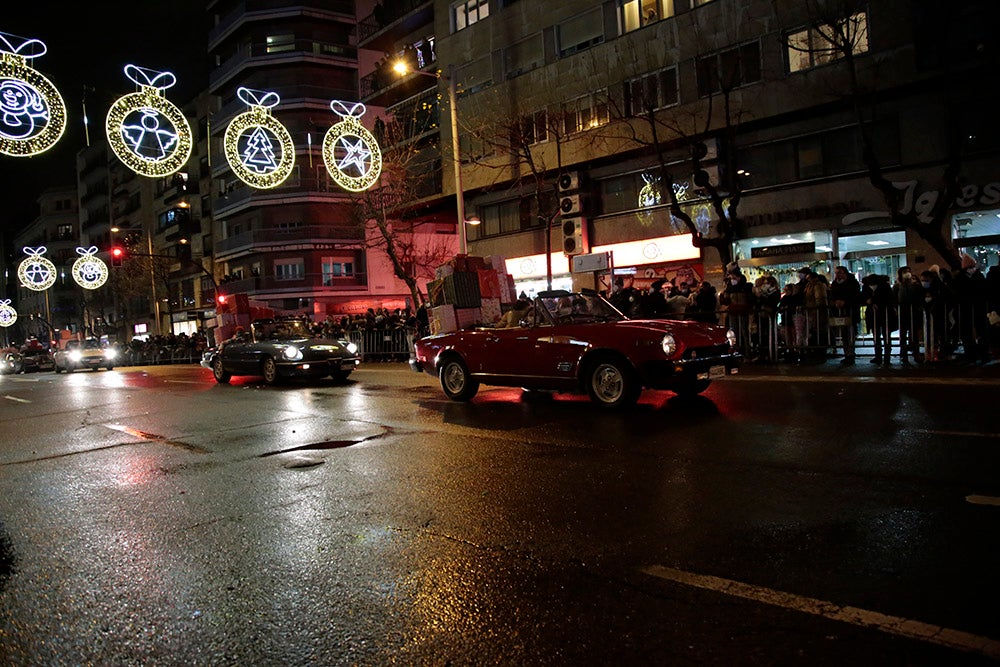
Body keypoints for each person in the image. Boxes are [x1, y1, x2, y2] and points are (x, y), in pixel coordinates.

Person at [829, 266, 861, 365]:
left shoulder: (852, 283)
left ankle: (851, 354)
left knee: (850, 333)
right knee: (844, 334)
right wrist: (835, 302)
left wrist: (845, 302)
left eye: (840, 273)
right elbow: (832, 295)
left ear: (845, 273)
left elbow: (855, 296)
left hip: (850, 311)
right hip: (840, 312)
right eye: (836, 273)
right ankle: (846, 353)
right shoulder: (835, 284)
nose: (838, 275)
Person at [862, 274, 897, 365]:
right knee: (876, 335)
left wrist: (876, 303)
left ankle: (887, 356)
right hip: (873, 315)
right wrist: (869, 302)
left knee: (886, 335)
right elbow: (863, 297)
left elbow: (889, 299)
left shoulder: (884, 287)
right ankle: (878, 355)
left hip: (885, 314)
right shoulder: (866, 286)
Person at [893, 266, 922, 363]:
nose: (907, 274)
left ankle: (916, 352)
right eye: (905, 272)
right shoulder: (897, 286)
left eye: (909, 271)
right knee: (903, 333)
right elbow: (895, 299)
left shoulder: (915, 285)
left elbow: (918, 297)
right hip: (903, 312)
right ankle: (904, 354)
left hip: (913, 312)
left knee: (914, 334)